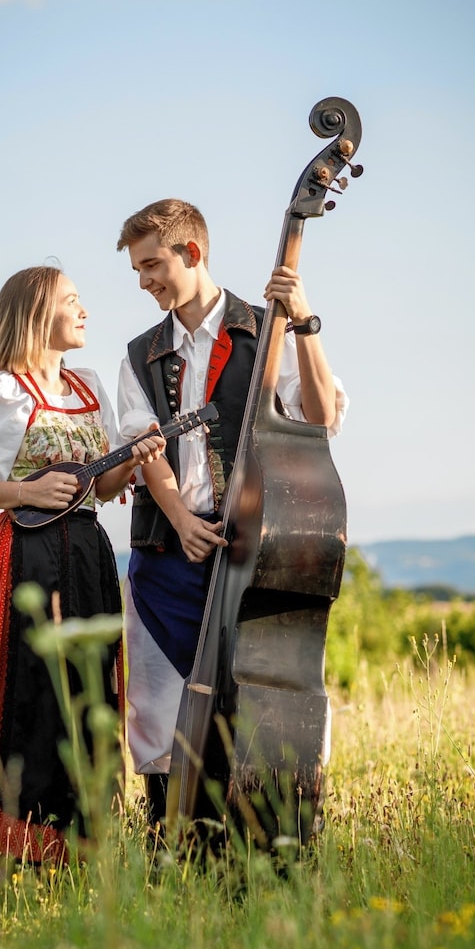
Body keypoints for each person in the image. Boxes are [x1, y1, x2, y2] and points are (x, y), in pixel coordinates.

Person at [0, 265, 165, 864]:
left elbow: (101, 486)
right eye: (71, 302)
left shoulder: (86, 387)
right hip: (23, 553)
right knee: (35, 691)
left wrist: (135, 458)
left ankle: (83, 843)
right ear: (35, 315)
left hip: (86, 550)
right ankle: (28, 841)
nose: (85, 312)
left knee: (90, 690)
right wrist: (25, 493)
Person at [115, 199, 349, 826]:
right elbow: (145, 447)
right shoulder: (140, 354)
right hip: (167, 556)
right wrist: (182, 518)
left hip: (257, 557)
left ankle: (263, 844)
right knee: (160, 710)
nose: (144, 282)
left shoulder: (268, 327)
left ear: (191, 253)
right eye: (137, 271)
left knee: (260, 708)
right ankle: (172, 845)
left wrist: (304, 323)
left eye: (152, 265)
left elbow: (322, 418)